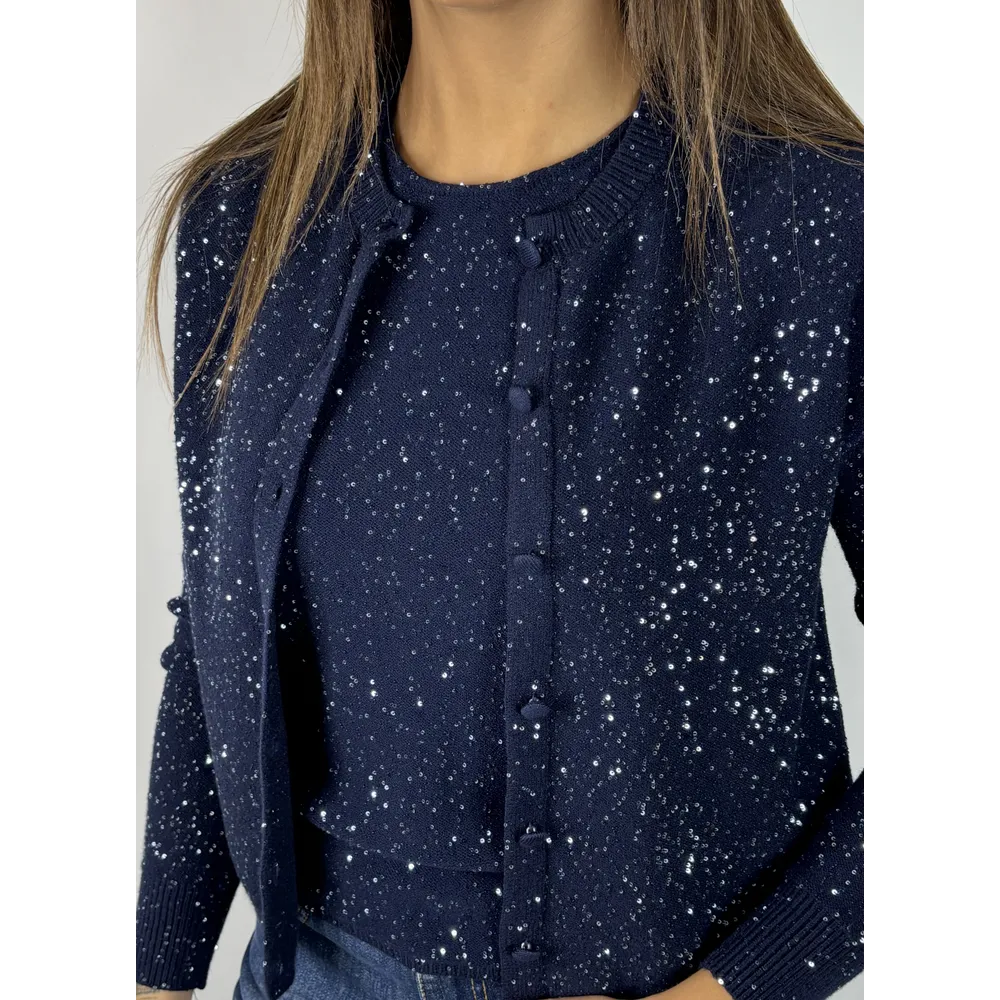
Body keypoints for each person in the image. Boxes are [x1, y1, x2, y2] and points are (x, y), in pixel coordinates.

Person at [136, 2, 863, 1000]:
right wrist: (157, 973)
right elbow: (220, 632)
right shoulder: (248, 207)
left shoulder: (823, 222)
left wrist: (730, 989)